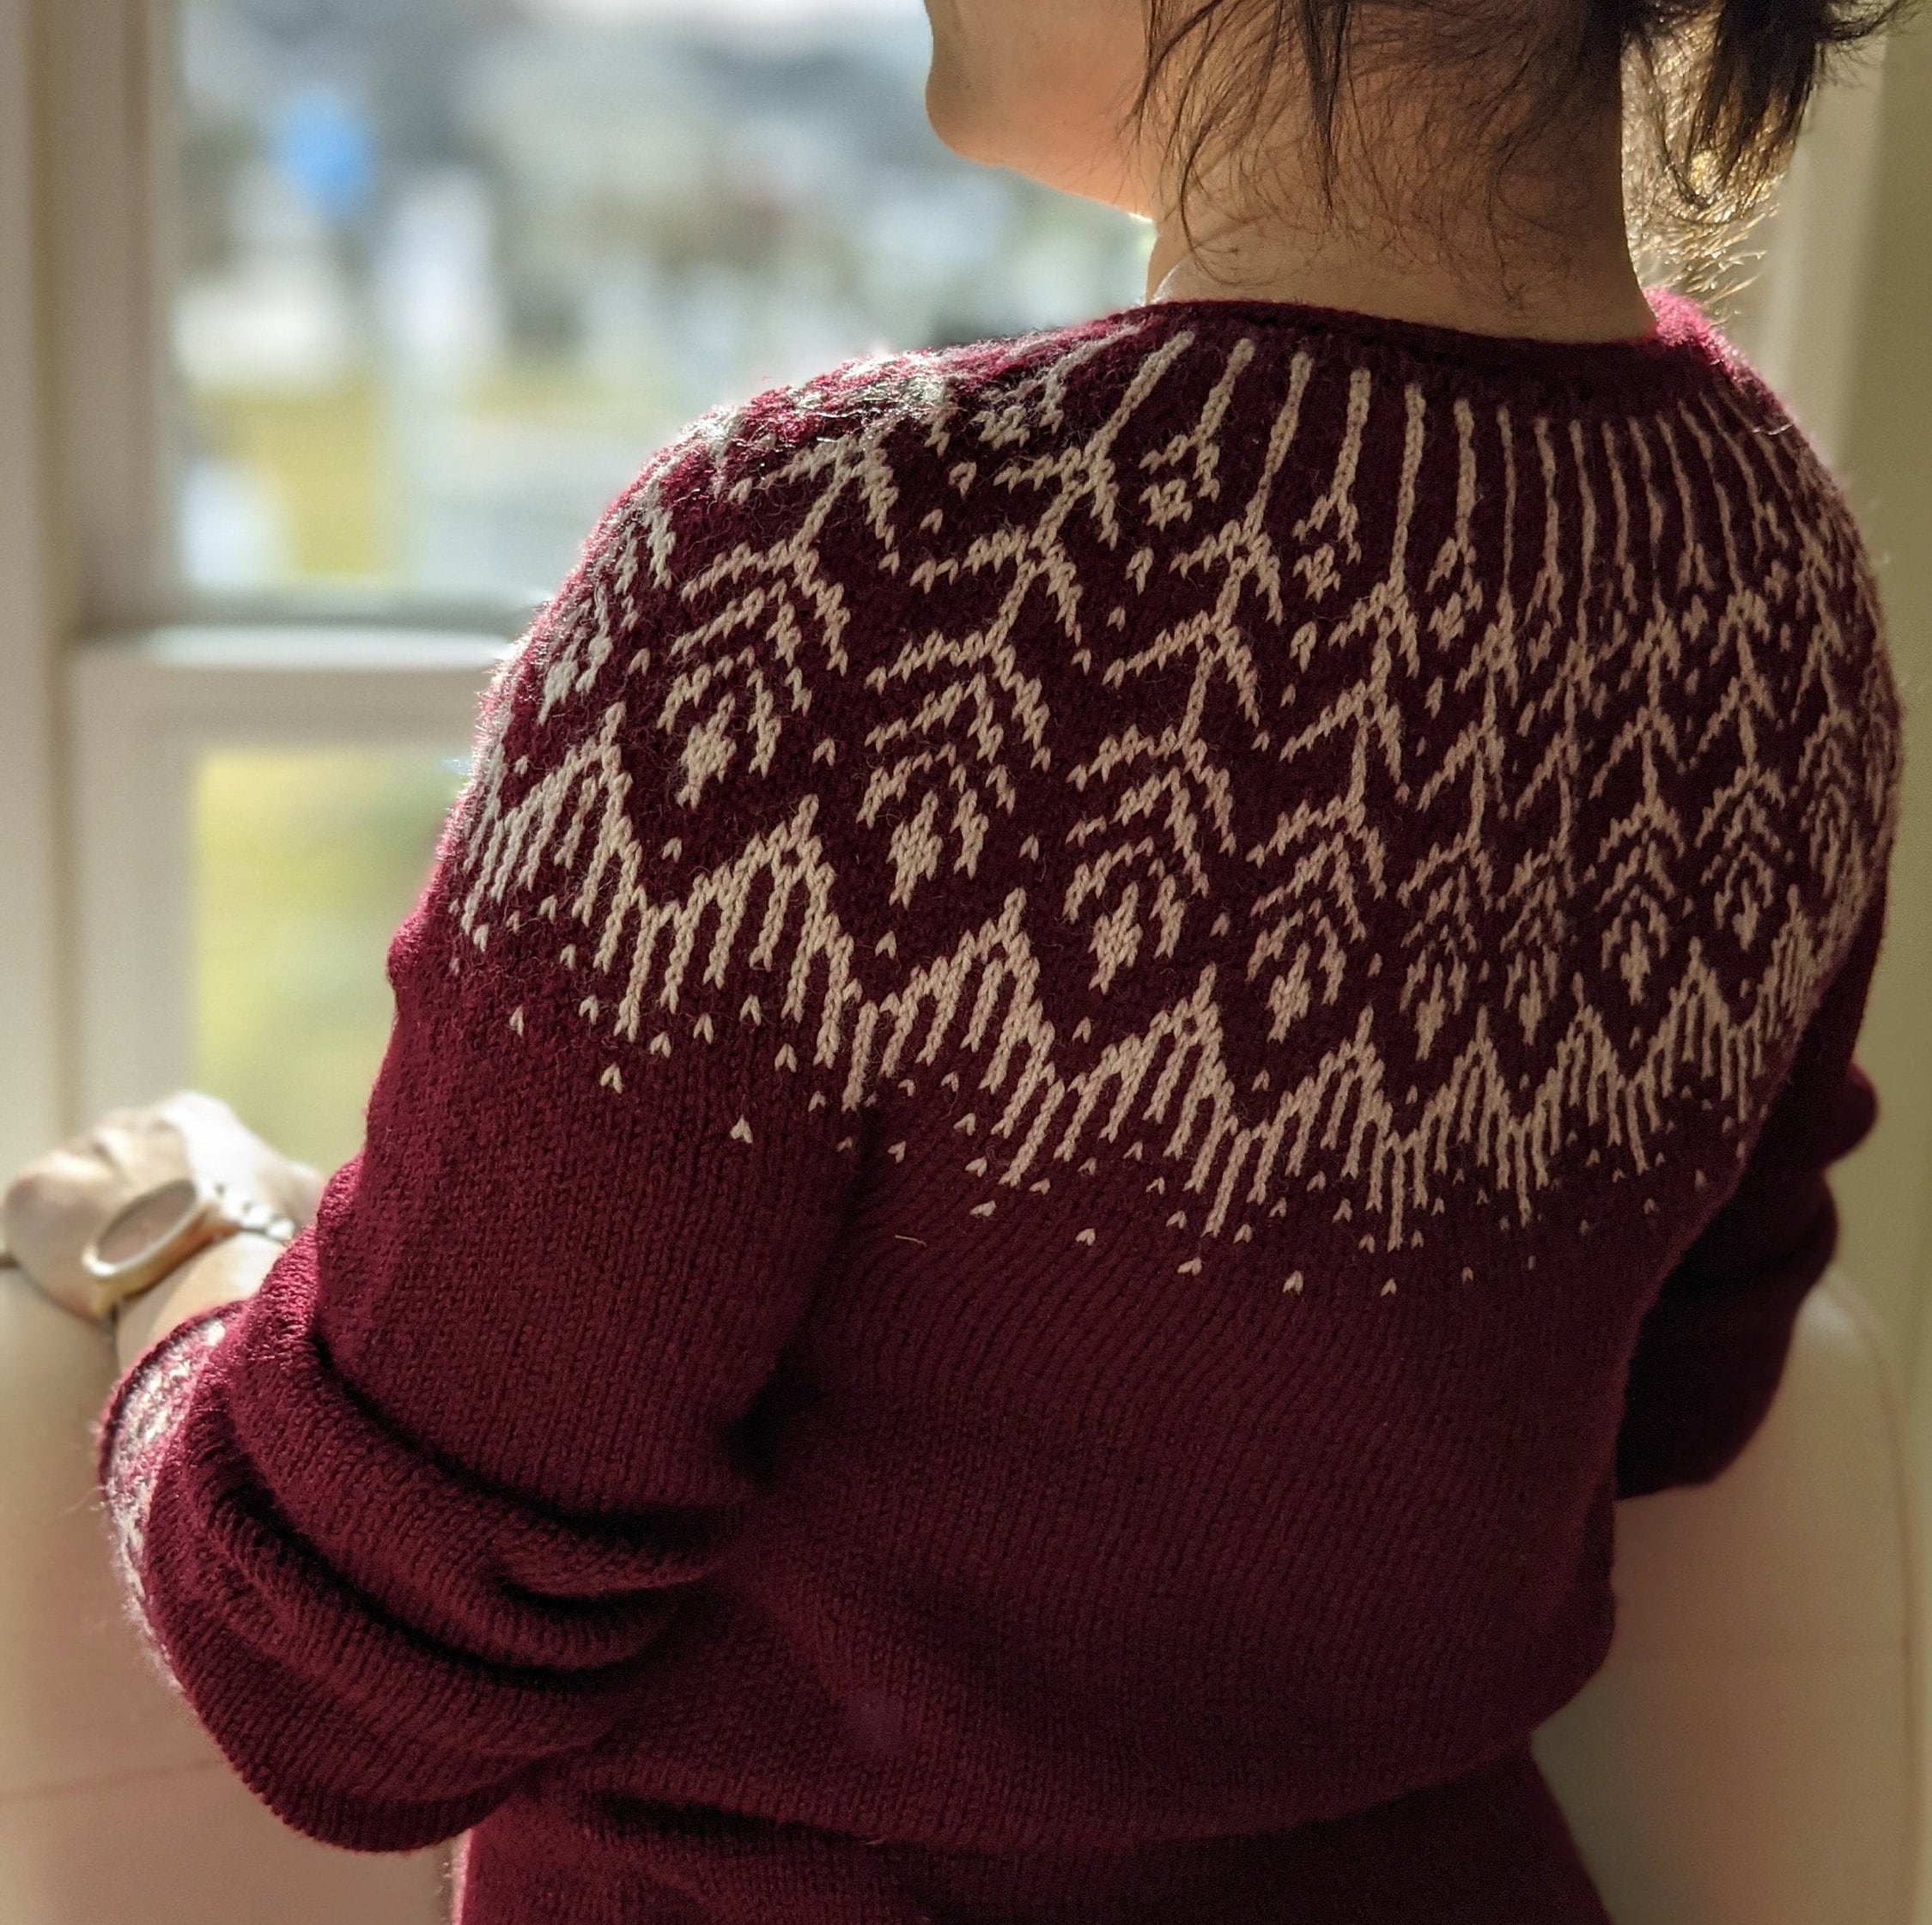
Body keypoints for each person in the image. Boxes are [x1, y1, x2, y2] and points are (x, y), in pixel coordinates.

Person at [1, 0, 1906, 1915]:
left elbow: (348, 1680)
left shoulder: (831, 580)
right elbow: (1687, 1390)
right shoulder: (1778, 586)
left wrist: (185, 1254)